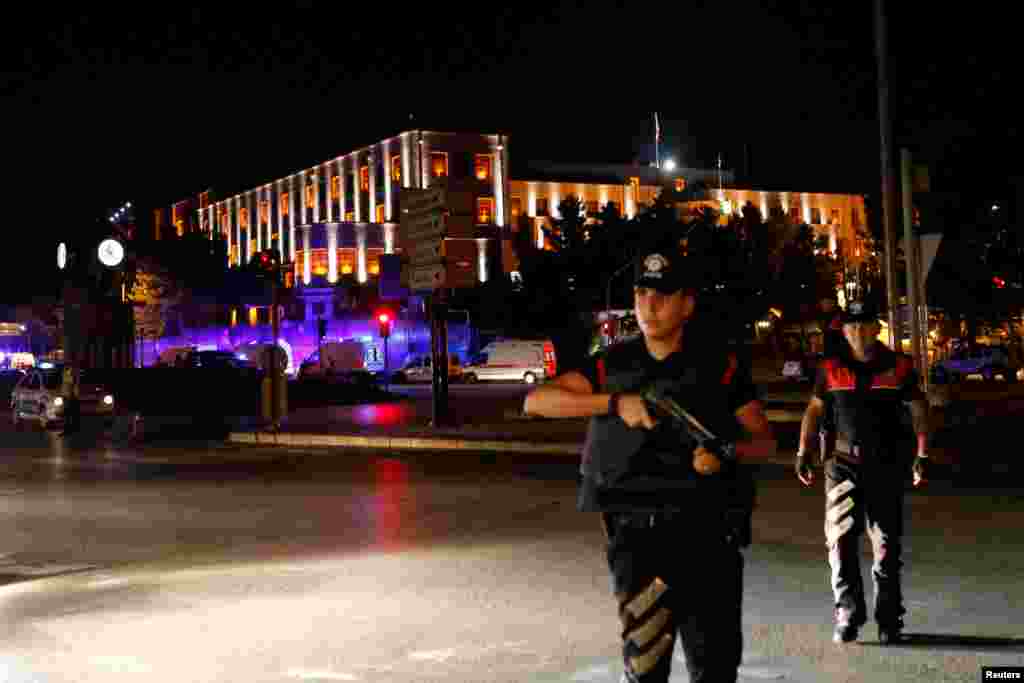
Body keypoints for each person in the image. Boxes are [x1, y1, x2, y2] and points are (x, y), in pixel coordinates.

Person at [524, 245, 776, 683]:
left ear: (687, 304)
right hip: (636, 537)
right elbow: (536, 401)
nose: (649, 306)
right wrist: (615, 403)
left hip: (709, 534)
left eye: (662, 295)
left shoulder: (721, 366)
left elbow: (764, 442)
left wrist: (725, 454)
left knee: (715, 667)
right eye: (642, 294)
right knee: (645, 667)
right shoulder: (610, 365)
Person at [794, 299, 930, 645]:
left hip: (885, 466)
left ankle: (889, 620)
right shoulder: (831, 368)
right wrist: (803, 451)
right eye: (850, 326)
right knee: (840, 541)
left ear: (876, 327)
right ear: (845, 330)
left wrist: (921, 453)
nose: (856, 331)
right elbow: (814, 410)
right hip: (841, 466)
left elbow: (918, 409)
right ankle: (847, 615)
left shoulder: (899, 367)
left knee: (886, 546)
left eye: (863, 325)